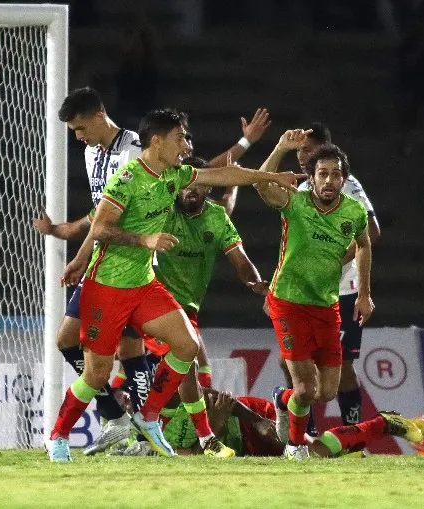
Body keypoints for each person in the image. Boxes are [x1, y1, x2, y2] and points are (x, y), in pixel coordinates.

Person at [46, 108, 300, 462]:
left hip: (144, 286)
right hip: (107, 286)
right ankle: (58, 436)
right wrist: (144, 239)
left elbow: (223, 171)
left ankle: (149, 417)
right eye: (179, 138)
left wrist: (270, 175)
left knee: (187, 344)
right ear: (157, 141)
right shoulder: (127, 179)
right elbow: (100, 229)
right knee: (97, 372)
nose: (185, 145)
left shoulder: (175, 176)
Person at [99, 155, 271, 456]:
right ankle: (204, 440)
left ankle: (144, 443)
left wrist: (256, 284)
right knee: (183, 373)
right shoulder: (162, 211)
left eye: (198, 185)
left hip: (187, 314)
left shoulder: (217, 218)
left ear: (207, 188)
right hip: (152, 308)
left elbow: (242, 262)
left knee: (188, 385)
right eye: (185, 185)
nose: (189, 191)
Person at [32, 87, 145, 455]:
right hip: (101, 261)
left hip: (129, 265)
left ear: (99, 116)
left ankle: (141, 435)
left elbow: (118, 218)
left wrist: (80, 256)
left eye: (81, 128)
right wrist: (73, 243)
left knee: (129, 352)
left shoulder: (133, 151)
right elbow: (100, 214)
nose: (78, 137)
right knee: (66, 339)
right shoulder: (91, 151)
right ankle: (115, 414)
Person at [254, 131, 374, 459]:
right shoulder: (295, 201)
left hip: (326, 305)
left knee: (327, 391)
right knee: (306, 389)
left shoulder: (353, 212)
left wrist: (364, 293)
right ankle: (295, 445)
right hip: (288, 301)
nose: (329, 180)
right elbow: (262, 186)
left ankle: (281, 399)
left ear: (344, 179)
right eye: (322, 174)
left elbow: (364, 244)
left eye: (336, 175)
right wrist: (279, 148)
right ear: (312, 177)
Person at [296, 123, 382, 429]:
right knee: (295, 365)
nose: (300, 155)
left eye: (306, 150)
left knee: (342, 370)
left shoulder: (348, 186)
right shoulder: (304, 189)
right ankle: (306, 432)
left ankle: (351, 436)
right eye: (298, 151)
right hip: (307, 293)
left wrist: (335, 260)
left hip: (343, 292)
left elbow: (371, 231)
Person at [163, 390, 424, 459]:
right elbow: (202, 458)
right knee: (320, 455)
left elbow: (222, 399)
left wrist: (258, 421)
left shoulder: (173, 396)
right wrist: (217, 423)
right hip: (242, 447)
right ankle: (382, 424)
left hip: (248, 422)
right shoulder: (161, 445)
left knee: (314, 451)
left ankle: (384, 423)